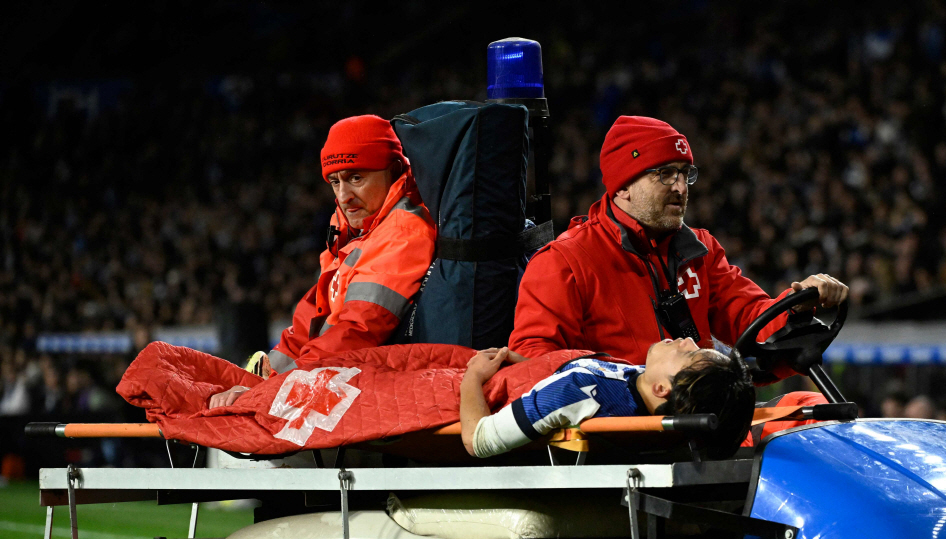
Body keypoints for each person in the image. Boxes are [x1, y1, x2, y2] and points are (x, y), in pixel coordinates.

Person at [508, 116, 847, 373]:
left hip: (700, 423)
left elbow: (748, 318)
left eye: (685, 174)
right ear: (623, 186)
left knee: (811, 413)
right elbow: (534, 362)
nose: (681, 188)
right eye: (665, 174)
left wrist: (796, 305)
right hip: (622, 441)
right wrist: (632, 385)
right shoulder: (565, 261)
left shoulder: (700, 250)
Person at [210, 115, 436, 408]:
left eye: (356, 178)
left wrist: (269, 392)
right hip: (332, 378)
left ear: (393, 170)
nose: (345, 196)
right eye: (335, 181)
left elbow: (357, 331)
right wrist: (256, 382)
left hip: (370, 397)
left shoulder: (402, 231)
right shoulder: (351, 231)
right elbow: (307, 326)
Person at [460, 338, 755, 460]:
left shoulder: (578, 390)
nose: (688, 340)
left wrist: (472, 377)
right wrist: (533, 368)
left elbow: (478, 440)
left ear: (662, 390)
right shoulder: (647, 400)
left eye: (690, 354)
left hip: (467, 385)